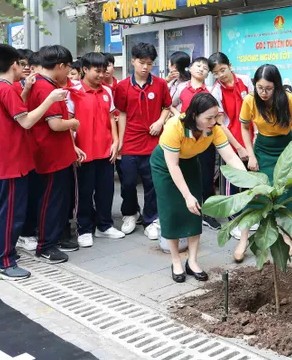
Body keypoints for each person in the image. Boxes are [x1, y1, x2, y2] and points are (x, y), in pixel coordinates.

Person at [0, 44, 68, 279]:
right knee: (11, 215)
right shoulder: (7, 90)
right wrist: (50, 99)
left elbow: (12, 113)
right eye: (22, 64)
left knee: (0, 213)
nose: (25, 68)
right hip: (11, 163)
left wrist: (25, 92)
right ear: (14, 65)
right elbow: (27, 121)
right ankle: (4, 261)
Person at [152, 92, 246, 282]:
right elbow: (173, 165)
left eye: (215, 116)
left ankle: (193, 261)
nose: (213, 121)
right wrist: (186, 195)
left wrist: (248, 181)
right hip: (166, 165)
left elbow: (230, 157)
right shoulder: (175, 127)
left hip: (190, 163)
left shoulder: (214, 129)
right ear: (194, 115)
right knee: (172, 211)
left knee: (195, 210)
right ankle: (176, 260)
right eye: (209, 118)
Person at [237, 64, 292, 262]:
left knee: (287, 193)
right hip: (262, 149)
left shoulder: (288, 99)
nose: (263, 93)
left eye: (268, 88)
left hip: (285, 148)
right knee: (254, 192)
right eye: (259, 88)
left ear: (276, 86)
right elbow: (243, 128)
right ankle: (243, 239)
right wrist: (251, 155)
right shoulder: (250, 100)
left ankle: (287, 238)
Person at [26, 45, 85, 263]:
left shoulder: (45, 84)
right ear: (60, 66)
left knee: (57, 199)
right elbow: (55, 124)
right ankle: (45, 245)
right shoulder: (44, 88)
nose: (68, 72)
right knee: (50, 200)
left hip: (57, 154)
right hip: (49, 155)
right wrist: (75, 122)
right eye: (68, 67)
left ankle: (56, 237)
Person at [115, 42, 172, 240]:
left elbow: (167, 106)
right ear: (132, 61)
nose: (145, 67)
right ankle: (131, 214)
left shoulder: (160, 84)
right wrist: (120, 141)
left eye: (150, 63)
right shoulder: (122, 87)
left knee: (152, 183)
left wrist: (159, 121)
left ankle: (151, 219)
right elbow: (121, 113)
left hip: (154, 143)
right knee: (128, 183)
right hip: (130, 142)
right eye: (141, 62)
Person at [67, 52, 124, 248]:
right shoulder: (72, 91)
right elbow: (68, 121)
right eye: (97, 71)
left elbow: (111, 119)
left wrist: (116, 142)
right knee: (84, 191)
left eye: (103, 71)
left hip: (105, 150)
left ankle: (104, 226)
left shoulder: (107, 91)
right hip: (83, 152)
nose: (101, 75)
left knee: (106, 191)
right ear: (84, 69)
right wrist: (72, 147)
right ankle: (84, 229)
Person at [208, 52, 256, 239]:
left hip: (251, 137)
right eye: (216, 72)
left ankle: (250, 216)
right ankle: (234, 220)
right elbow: (220, 124)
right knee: (232, 181)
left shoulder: (245, 80)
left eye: (222, 69)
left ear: (230, 65)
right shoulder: (216, 91)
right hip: (230, 141)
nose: (220, 75)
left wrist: (254, 140)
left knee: (250, 178)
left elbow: (255, 108)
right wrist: (238, 147)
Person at [175, 56, 220, 231]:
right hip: (185, 139)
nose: (201, 69)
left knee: (207, 176)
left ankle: (207, 213)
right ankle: (188, 209)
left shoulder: (210, 91)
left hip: (206, 138)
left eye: (205, 68)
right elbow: (169, 105)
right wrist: (179, 116)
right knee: (186, 174)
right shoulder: (180, 88)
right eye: (198, 65)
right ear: (191, 68)